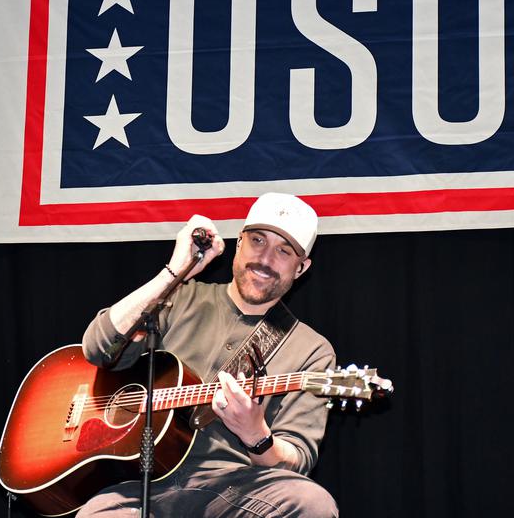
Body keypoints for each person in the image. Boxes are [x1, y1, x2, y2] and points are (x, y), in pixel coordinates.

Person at [79, 193, 338, 517]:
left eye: (283, 251)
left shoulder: (311, 350)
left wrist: (255, 434)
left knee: (312, 504)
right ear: (239, 242)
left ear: (301, 268)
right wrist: (173, 274)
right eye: (257, 240)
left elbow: (296, 459)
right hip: (137, 484)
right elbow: (97, 348)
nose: (265, 259)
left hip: (235, 490)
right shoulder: (177, 298)